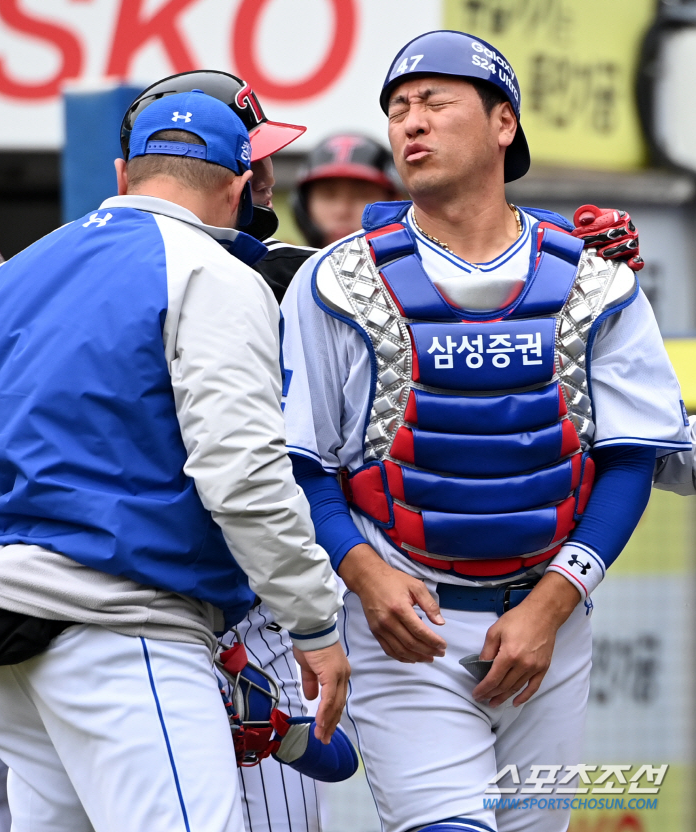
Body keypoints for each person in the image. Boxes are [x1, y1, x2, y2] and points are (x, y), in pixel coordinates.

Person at [280, 30, 690, 832]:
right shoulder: (337, 279)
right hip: (407, 626)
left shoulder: (593, 279)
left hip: (550, 628)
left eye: (434, 102)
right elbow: (304, 461)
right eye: (398, 109)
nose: (411, 124)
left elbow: (632, 458)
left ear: (504, 124)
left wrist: (553, 602)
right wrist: (361, 570)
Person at [0, 88, 349, 832]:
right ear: (235, 185)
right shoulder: (210, 270)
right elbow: (243, 474)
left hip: (11, 634)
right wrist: (315, 623)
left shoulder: (20, 272)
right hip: (118, 628)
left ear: (124, 174)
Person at [120, 70, 354, 832]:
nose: (265, 177)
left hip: (266, 606)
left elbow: (429, 273)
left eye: (264, 160)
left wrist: (573, 267)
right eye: (252, 159)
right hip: (157, 607)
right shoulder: (117, 271)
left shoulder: (300, 272)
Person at [292, 134, 402, 250]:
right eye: (328, 195)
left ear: (392, 203)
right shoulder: (282, 266)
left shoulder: (419, 266)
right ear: (304, 204)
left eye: (362, 195)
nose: (342, 211)